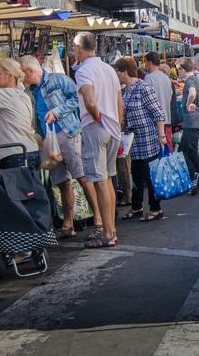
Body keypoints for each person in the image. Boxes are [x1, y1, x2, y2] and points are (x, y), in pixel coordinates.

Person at [21, 56, 98, 239]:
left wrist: (57, 111)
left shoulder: (58, 80)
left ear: (30, 72)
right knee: (62, 182)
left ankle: (100, 222)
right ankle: (67, 224)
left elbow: (77, 100)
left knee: (81, 177)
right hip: (50, 140)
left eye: (22, 74)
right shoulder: (30, 91)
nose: (21, 78)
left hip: (68, 133)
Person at [73, 32, 124, 249]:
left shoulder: (84, 71)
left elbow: (90, 101)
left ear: (78, 48)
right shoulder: (108, 69)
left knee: (100, 180)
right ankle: (111, 229)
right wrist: (117, 124)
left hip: (97, 127)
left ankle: (107, 232)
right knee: (109, 179)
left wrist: (97, 117)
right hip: (112, 128)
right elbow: (119, 101)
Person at [114, 57, 168, 221]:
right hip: (132, 140)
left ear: (124, 71)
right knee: (136, 173)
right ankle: (136, 206)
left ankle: (155, 208)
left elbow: (158, 113)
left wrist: (162, 135)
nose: (115, 75)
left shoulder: (143, 88)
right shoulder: (125, 90)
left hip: (147, 138)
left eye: (117, 71)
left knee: (149, 174)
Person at [0, 58, 39, 170]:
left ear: (10, 76)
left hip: (15, 155)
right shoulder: (22, 94)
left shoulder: (6, 94)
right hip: (30, 151)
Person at [176, 57, 199, 194]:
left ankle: (196, 175)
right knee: (187, 149)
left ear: (182, 69)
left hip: (192, 121)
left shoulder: (190, 81)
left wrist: (188, 104)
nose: (177, 74)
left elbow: (192, 93)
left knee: (187, 150)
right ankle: (196, 177)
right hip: (193, 121)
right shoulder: (195, 79)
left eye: (178, 70)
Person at [143, 52, 175, 133]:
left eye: (145, 62)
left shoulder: (148, 78)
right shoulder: (167, 78)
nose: (144, 65)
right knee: (166, 144)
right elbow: (170, 97)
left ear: (149, 62)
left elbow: (147, 100)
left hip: (154, 121)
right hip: (166, 119)